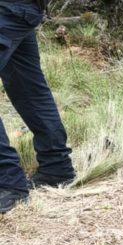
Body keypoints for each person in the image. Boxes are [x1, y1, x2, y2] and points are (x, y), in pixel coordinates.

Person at [0, 0, 75, 215]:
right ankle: (56, 167)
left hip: (9, 8)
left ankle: (9, 183)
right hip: (21, 8)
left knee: (28, 87)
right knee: (27, 87)